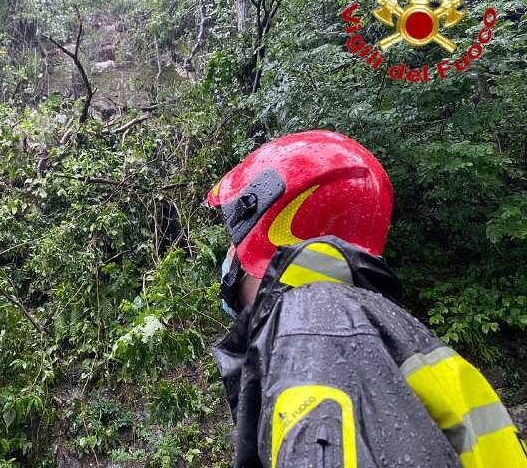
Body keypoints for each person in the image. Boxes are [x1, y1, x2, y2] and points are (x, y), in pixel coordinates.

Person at [205, 130, 527, 468]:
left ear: (260, 232)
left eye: (232, 239)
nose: (229, 254)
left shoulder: (314, 324)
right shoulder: (382, 326)